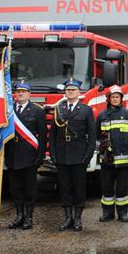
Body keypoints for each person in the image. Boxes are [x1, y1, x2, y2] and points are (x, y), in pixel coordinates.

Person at [49, 78, 96, 232]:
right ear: (65, 92)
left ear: (79, 92)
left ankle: (78, 218)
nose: (70, 92)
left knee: (79, 188)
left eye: (73, 90)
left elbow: (92, 135)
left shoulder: (86, 110)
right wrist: (53, 154)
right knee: (64, 187)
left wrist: (88, 156)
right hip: (62, 155)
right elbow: (53, 135)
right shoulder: (59, 109)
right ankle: (67, 217)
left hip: (79, 156)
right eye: (68, 90)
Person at [4, 80, 46, 230]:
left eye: (23, 91)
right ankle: (19, 215)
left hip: (29, 155)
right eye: (18, 91)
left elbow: (42, 136)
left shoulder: (37, 111)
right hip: (12, 153)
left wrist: (40, 156)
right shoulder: (8, 110)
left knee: (29, 188)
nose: (20, 93)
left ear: (29, 94)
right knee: (15, 188)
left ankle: (28, 216)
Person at [97, 84, 128, 223]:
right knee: (106, 188)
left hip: (123, 160)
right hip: (107, 160)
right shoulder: (102, 116)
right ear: (108, 99)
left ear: (121, 99)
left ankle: (122, 213)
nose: (115, 99)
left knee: (122, 189)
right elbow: (97, 137)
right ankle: (107, 213)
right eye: (113, 97)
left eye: (117, 97)